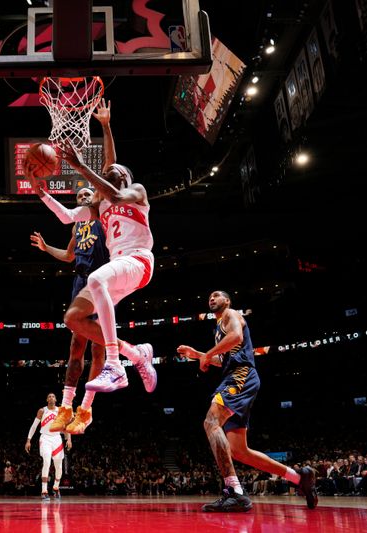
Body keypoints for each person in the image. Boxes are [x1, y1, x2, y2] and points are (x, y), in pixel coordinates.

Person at [27, 100, 157, 395]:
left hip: (138, 261)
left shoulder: (136, 192)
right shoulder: (99, 206)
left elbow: (113, 182)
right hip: (120, 270)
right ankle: (136, 354)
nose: (109, 172)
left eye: (113, 171)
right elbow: (68, 217)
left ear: (124, 176)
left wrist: (95, 146)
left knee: (97, 277)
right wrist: (41, 192)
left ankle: (114, 364)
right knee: (73, 318)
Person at [177, 290, 317, 512]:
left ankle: (234, 492)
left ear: (228, 301)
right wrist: (197, 354)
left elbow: (237, 337)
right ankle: (300, 478)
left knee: (211, 421)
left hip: (240, 375)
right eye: (209, 297)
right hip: (235, 375)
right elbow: (222, 358)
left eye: (216, 296)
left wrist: (205, 355)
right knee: (239, 451)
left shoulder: (231, 314)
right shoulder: (218, 329)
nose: (211, 299)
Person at [30, 185, 109, 434]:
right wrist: (46, 248)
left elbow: (101, 192)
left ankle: (87, 408)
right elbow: (68, 255)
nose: (84, 198)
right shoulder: (77, 226)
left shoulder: (101, 215)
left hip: (102, 279)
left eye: (88, 194)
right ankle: (66, 406)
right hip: (80, 281)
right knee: (76, 345)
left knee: (98, 348)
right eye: (79, 197)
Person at [25, 393, 72, 500]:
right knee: (46, 461)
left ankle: (56, 488)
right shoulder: (42, 410)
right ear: (47, 399)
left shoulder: (60, 411)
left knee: (59, 467)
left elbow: (65, 427)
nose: (51, 398)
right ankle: (44, 491)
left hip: (57, 438)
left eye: (53, 396)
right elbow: (34, 426)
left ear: (56, 399)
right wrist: (28, 440)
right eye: (49, 396)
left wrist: (68, 439)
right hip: (45, 438)